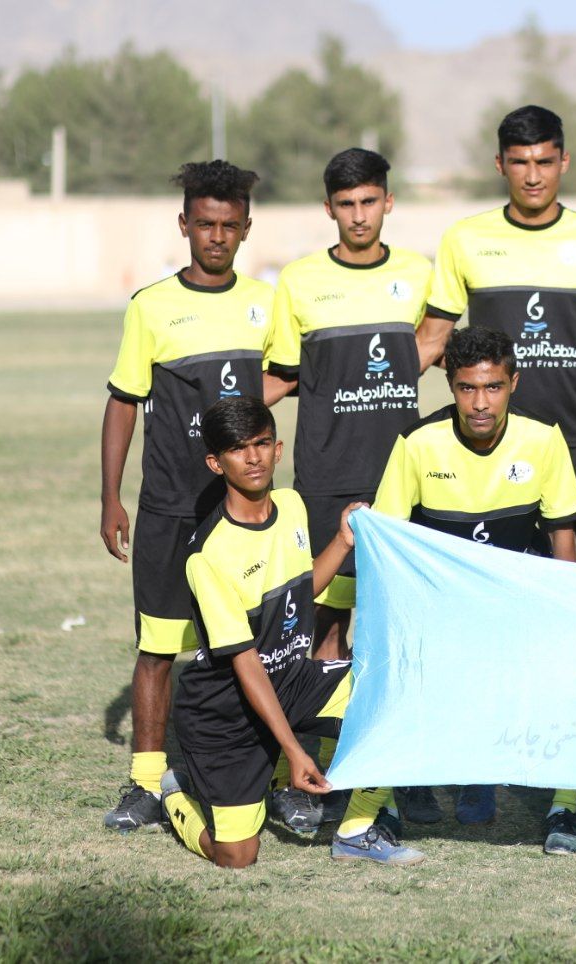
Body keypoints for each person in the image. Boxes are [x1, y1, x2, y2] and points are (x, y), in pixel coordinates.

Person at [160, 396, 422, 868]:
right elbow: (245, 663)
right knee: (237, 856)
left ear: (278, 449)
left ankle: (355, 832)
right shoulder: (208, 555)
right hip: (226, 711)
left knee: (395, 692)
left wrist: (342, 541)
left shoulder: (291, 505)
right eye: (238, 449)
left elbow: (299, 592)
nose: (253, 458)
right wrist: (294, 750)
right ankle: (175, 794)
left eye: (262, 443)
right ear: (216, 463)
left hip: (290, 681)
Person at [261, 148, 436, 827]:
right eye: (346, 204)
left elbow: (439, 347)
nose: (359, 215)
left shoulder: (418, 274)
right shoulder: (300, 281)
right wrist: (203, 419)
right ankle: (316, 772)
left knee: (402, 629)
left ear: (388, 202)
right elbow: (283, 373)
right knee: (324, 630)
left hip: (401, 479)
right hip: (326, 479)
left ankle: (403, 767)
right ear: (329, 208)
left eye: (369, 201)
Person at [373, 326, 576, 833]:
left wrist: (565, 607)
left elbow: (562, 531)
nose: (480, 403)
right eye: (467, 388)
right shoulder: (417, 442)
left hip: (514, 601)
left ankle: (486, 773)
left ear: (513, 383)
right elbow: (390, 540)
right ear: (450, 386)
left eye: (493, 387)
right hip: (441, 603)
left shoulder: (543, 438)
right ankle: (414, 776)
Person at [100, 160, 273, 832]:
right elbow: (123, 400)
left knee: (254, 646)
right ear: (184, 225)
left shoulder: (266, 302)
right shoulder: (150, 306)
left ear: (246, 228)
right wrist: (111, 497)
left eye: (229, 225)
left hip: (243, 513)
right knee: (158, 647)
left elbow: (286, 377)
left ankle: (265, 773)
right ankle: (147, 784)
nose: (216, 236)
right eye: (205, 224)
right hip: (171, 507)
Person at [414, 104, 576, 561]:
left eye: (544, 161)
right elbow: (430, 340)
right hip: (491, 442)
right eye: (520, 162)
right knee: (494, 570)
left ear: (564, 161)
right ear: (500, 164)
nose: (532, 176)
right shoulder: (465, 238)